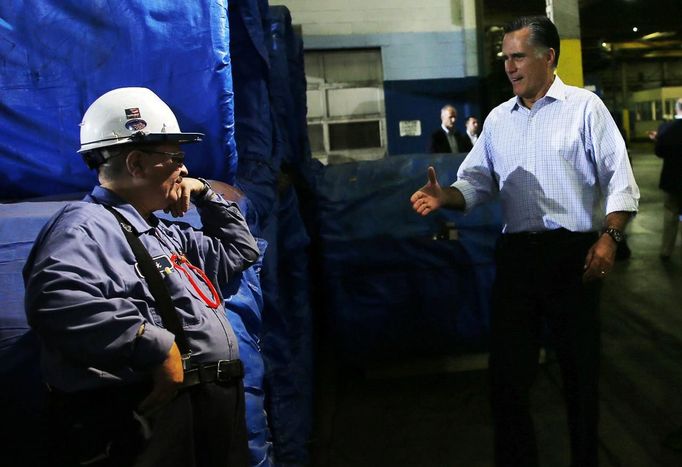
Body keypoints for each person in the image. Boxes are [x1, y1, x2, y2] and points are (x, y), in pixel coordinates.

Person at [410, 16, 639, 467]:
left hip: (573, 257)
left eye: (518, 56)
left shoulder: (584, 110)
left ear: (547, 56)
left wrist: (609, 238)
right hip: (516, 260)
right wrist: (446, 196)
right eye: (506, 59)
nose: (510, 67)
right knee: (508, 381)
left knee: (579, 376)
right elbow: (475, 184)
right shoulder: (499, 120)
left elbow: (621, 181)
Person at [23, 87, 260, 467]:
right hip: (160, 418)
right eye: (175, 158)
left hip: (207, 409)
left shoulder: (159, 232)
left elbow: (240, 250)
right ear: (135, 163)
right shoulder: (85, 227)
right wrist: (152, 344)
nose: (183, 170)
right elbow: (57, 300)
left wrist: (202, 194)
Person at [652, 98, 682, 261]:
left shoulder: (667, 129)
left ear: (677, 110)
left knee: (670, 214)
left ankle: (666, 251)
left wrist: (658, 139)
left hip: (673, 180)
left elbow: (659, 152)